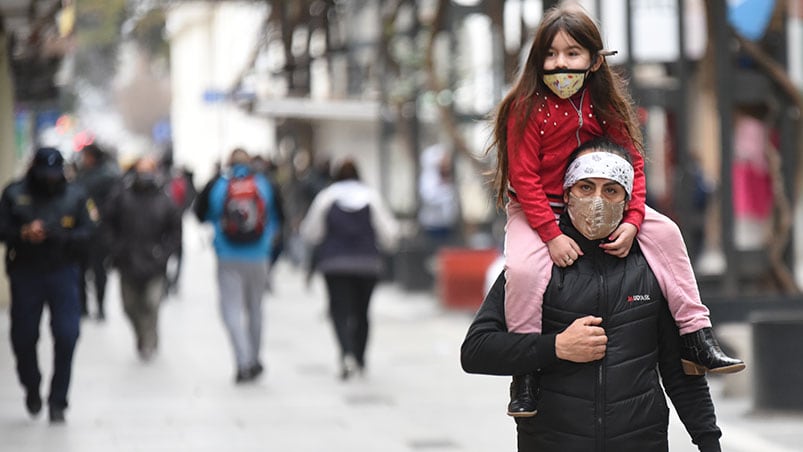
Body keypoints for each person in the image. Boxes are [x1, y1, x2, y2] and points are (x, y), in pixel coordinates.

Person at [487, 3, 742, 417]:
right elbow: (525, 178)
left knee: (668, 234)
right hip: (541, 209)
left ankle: (697, 337)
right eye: (551, 54)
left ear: (593, 58)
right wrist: (551, 234)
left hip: (605, 201)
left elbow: (633, 162)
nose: (560, 63)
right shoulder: (525, 107)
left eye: (572, 53)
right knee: (524, 270)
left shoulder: (605, 102)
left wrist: (634, 220)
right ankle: (526, 375)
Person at [462, 139, 722, 451]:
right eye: (586, 187)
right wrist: (557, 346)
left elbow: (679, 371)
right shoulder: (535, 267)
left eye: (611, 190)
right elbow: (476, 350)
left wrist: (709, 442)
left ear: (628, 200)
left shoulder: (650, 264)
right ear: (567, 192)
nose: (597, 201)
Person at [0, 147, 99, 423]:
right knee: (23, 336)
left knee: (67, 336)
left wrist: (60, 236)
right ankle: (31, 386)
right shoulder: (13, 193)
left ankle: (58, 400)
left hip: (63, 272)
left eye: (55, 174)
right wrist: (23, 232)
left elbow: (91, 232)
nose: (50, 180)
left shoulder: (76, 195)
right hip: (25, 272)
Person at [299, 158, 399, 380]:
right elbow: (389, 233)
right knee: (362, 312)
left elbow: (311, 232)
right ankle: (360, 357)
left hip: (335, 264)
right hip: (367, 265)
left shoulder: (327, 197)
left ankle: (346, 353)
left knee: (339, 311)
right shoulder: (371, 196)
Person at [195, 148, 281, 383]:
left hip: (228, 256)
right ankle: (254, 358)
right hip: (259, 255)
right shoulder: (264, 184)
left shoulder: (218, 186)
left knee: (230, 310)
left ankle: (243, 361)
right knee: (256, 308)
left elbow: (200, 215)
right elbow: (278, 217)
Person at [106, 157, 182, 361]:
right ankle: (141, 334)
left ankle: (149, 340)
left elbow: (175, 231)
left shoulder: (164, 199)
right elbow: (108, 223)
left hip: (154, 263)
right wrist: (116, 249)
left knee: (151, 303)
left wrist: (164, 253)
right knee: (129, 306)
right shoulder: (122, 196)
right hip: (127, 261)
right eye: (141, 170)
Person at [74, 143, 121, 320]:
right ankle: (88, 306)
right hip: (87, 231)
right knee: (86, 271)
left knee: (96, 271)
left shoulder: (106, 176)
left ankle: (95, 306)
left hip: (98, 232)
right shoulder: (84, 175)